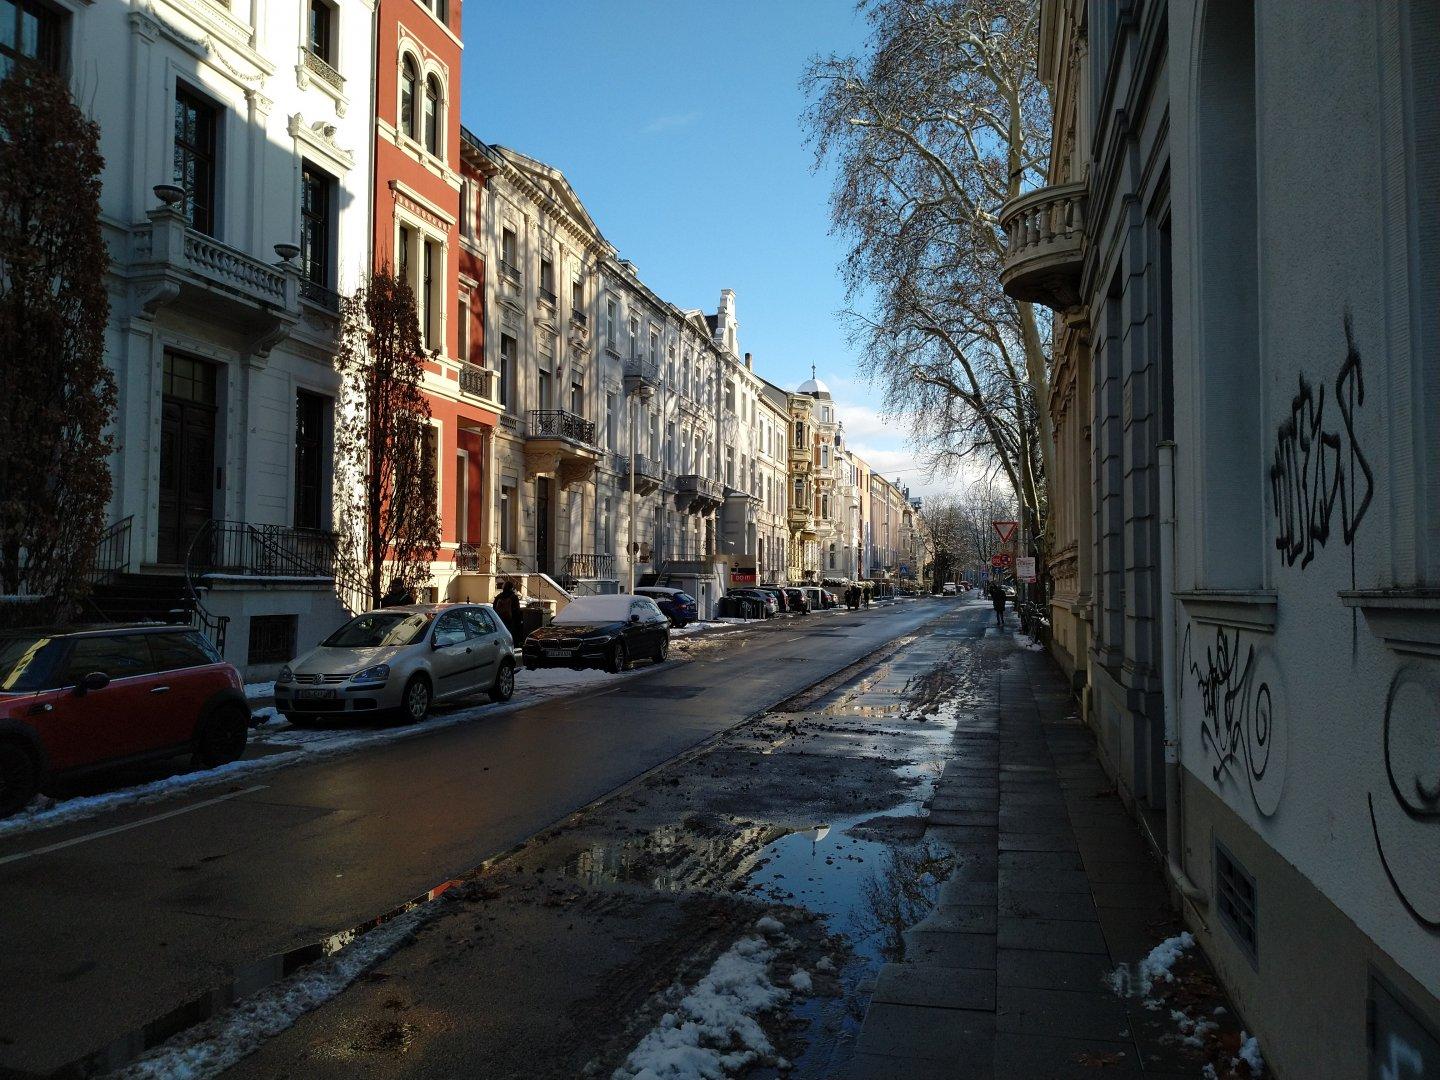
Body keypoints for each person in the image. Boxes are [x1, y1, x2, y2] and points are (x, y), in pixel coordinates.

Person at [493, 580, 524, 644]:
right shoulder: (514, 597)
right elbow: (517, 610)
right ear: (511, 588)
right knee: (511, 635)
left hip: (500, 620)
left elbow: (494, 607)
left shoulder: (499, 596)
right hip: (511, 620)